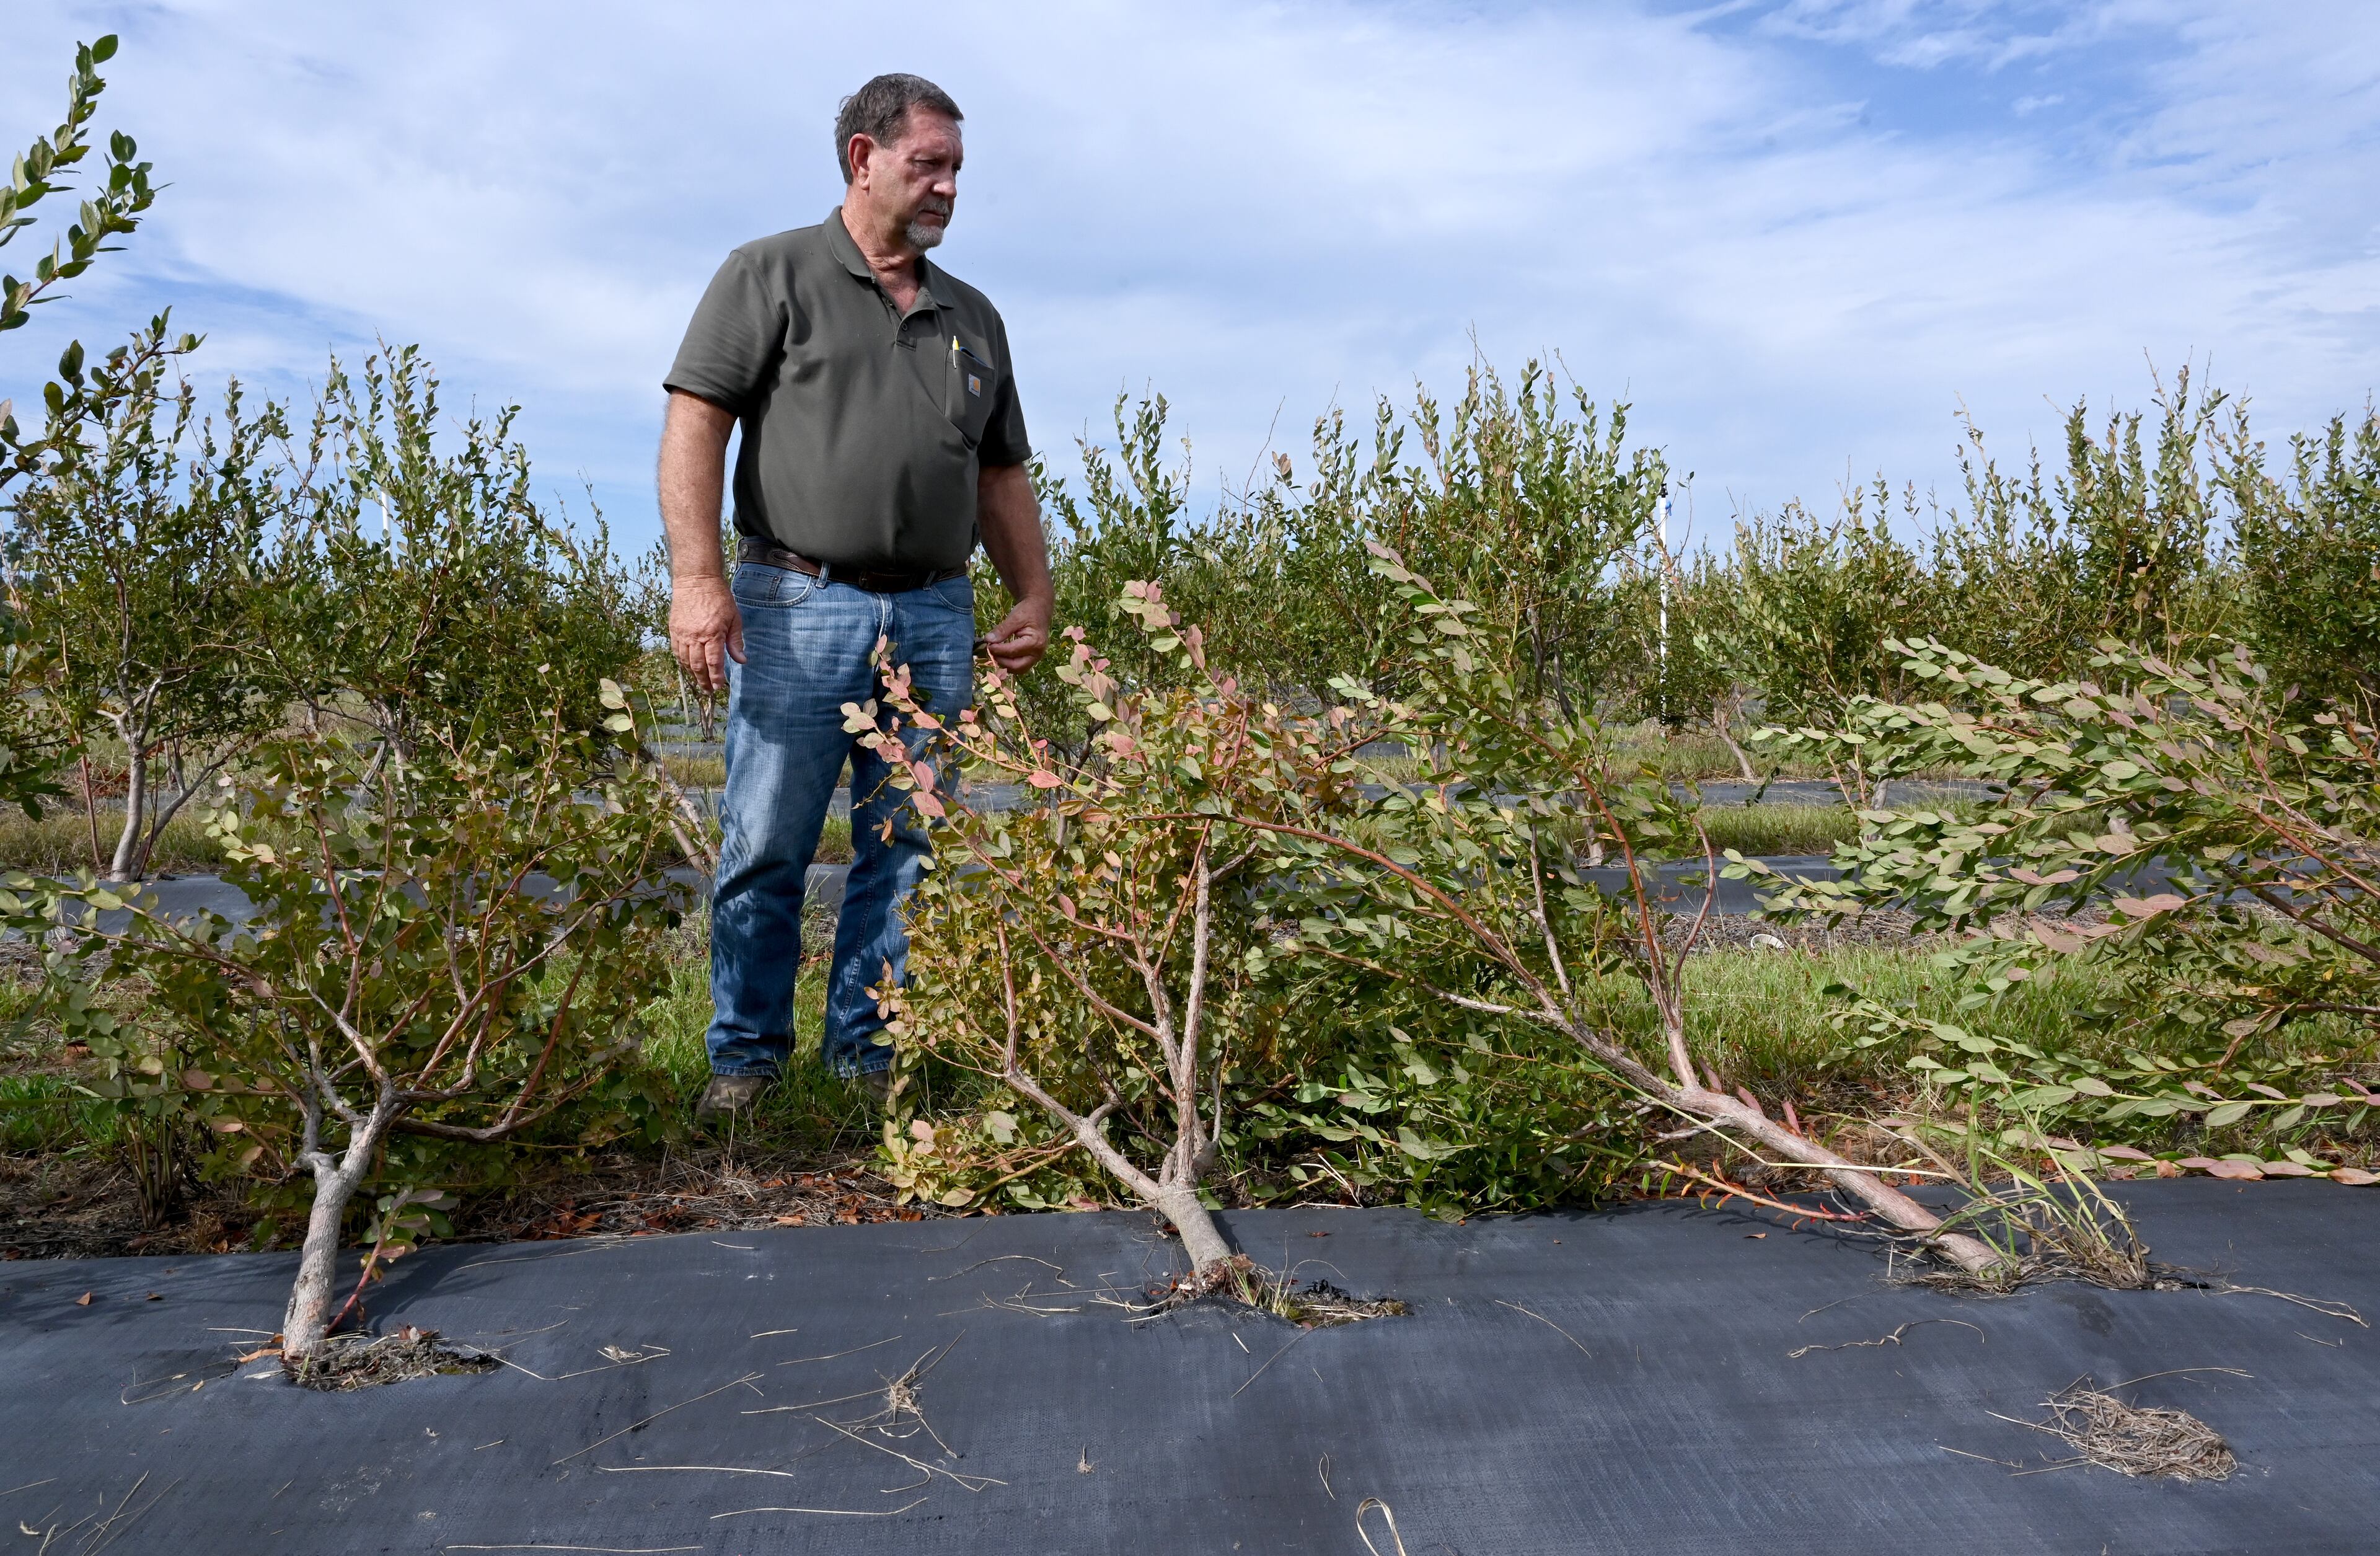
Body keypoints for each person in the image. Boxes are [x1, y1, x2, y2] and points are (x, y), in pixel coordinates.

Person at [657, 73, 1052, 1123]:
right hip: (796, 605)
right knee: (768, 842)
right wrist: (697, 582)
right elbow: (697, 422)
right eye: (929, 165)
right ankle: (744, 1063)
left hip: (935, 613)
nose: (948, 188)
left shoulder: (975, 317)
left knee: (907, 847)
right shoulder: (770, 274)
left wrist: (1034, 592)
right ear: (862, 160)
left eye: (957, 169)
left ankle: (867, 1065)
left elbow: (1001, 474)